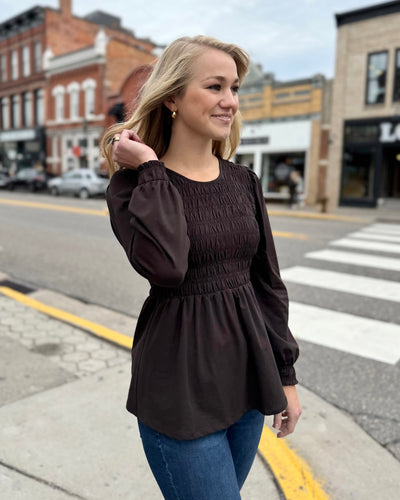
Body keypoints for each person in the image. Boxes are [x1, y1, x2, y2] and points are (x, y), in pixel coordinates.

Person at [101, 35, 301, 500]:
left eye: (234, 88)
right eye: (215, 86)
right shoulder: (133, 189)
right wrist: (151, 169)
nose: (230, 101)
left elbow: (267, 284)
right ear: (172, 95)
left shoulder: (243, 181)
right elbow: (168, 267)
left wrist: (285, 376)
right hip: (180, 391)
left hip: (248, 382)